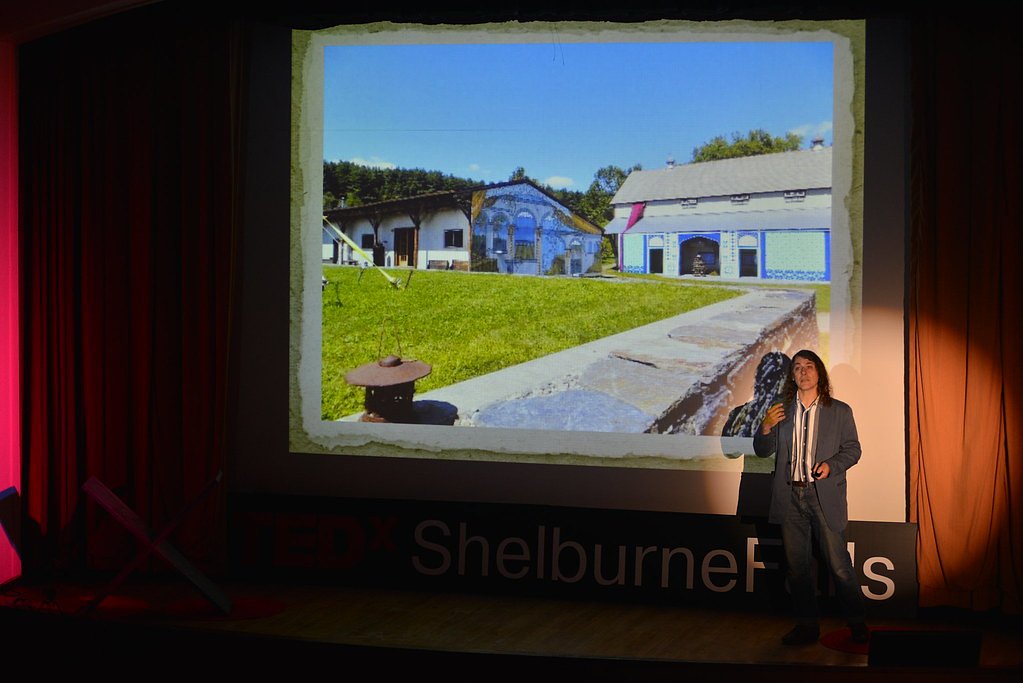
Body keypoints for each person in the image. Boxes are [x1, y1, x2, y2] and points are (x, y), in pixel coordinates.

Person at [753, 349, 869, 646]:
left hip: (822, 496)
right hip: (789, 496)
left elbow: (853, 450)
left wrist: (832, 465)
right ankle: (807, 626)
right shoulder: (781, 409)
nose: (803, 372)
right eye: (797, 368)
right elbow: (763, 450)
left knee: (839, 566)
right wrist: (765, 427)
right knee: (797, 568)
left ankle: (857, 624)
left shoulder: (840, 410)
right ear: (792, 376)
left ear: (819, 373)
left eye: (809, 366)